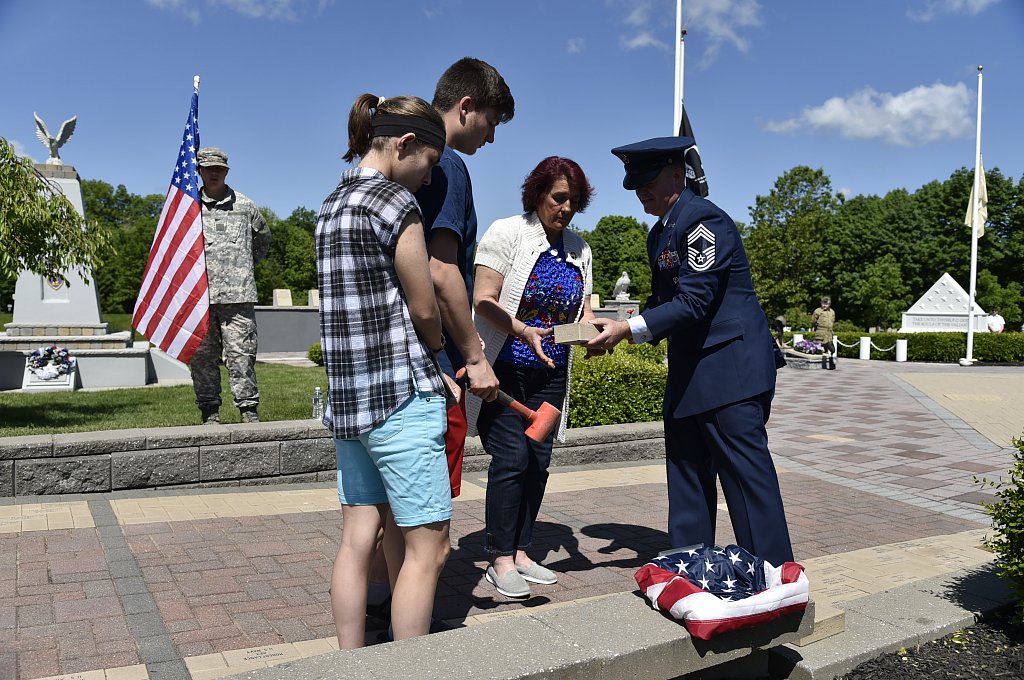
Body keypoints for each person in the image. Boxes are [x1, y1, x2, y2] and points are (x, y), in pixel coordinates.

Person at [588, 136, 794, 568]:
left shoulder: (702, 220)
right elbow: (666, 305)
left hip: (730, 374)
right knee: (686, 477)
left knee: (744, 483)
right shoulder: (660, 234)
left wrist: (627, 329)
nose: (640, 191)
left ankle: (775, 580)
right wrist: (619, 327)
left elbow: (697, 301)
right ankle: (690, 570)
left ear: (678, 174)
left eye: (648, 181)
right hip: (690, 374)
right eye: (635, 184)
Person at [315, 93, 454, 648]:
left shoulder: (331, 203)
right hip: (401, 395)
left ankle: (353, 663)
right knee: (428, 547)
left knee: (359, 538)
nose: (427, 179)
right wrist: (441, 349)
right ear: (406, 144)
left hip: (350, 403)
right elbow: (424, 305)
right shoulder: (394, 204)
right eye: (429, 164)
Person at [470, 157, 596, 598]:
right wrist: (523, 330)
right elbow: (482, 300)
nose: (566, 209)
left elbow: (580, 316)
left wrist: (595, 333)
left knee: (538, 463)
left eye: (574, 202)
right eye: (559, 198)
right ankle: (499, 560)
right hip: (503, 367)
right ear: (538, 193)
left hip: (551, 372)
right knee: (511, 459)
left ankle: (523, 552)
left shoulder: (580, 248)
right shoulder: (508, 232)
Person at [415, 56, 514, 497]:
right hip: (438, 364)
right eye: (491, 123)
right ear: (466, 106)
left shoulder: (412, 156)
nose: (492, 137)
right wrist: (474, 358)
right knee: (427, 520)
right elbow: (441, 270)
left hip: (402, 358)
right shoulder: (449, 164)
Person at [192, 147, 273, 424]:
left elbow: (263, 240)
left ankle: (248, 410)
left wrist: (242, 267)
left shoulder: (245, 205)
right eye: (208, 168)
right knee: (202, 358)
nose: (214, 173)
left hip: (238, 295)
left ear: (226, 171)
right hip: (199, 298)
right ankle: (209, 411)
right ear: (199, 171)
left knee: (242, 355)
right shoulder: (187, 207)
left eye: (219, 168)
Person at [811, 296, 837, 370]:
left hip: (829, 333)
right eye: (823, 303)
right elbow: (813, 321)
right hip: (820, 332)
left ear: (829, 304)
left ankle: (831, 363)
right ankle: (817, 364)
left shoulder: (832, 312)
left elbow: (833, 321)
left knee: (832, 349)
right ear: (821, 303)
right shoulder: (818, 311)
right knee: (818, 348)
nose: (825, 305)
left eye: (827, 304)